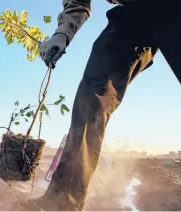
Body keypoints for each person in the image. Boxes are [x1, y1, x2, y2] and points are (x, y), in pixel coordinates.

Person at [19, 0, 181, 210]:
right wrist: (62, 33)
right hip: (133, 15)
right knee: (94, 91)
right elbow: (77, 2)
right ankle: (62, 201)